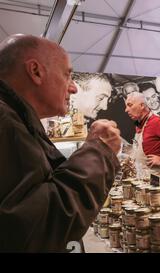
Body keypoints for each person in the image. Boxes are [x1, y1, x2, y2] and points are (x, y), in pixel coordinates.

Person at [0, 34, 121, 252]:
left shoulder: (16, 120)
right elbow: (37, 229)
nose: (73, 88)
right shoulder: (5, 122)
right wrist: (99, 152)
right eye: (67, 75)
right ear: (36, 71)